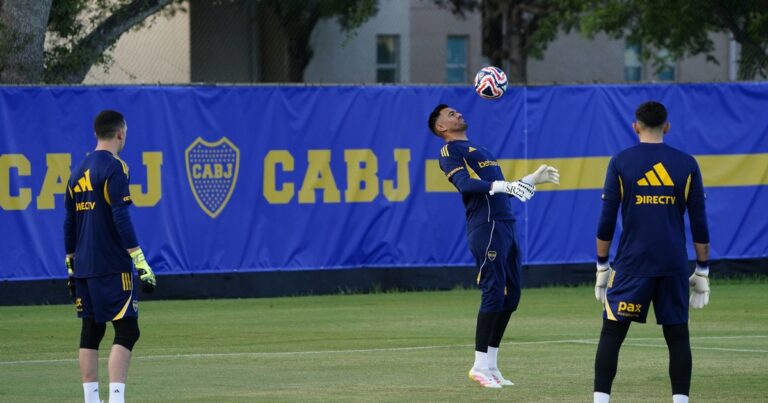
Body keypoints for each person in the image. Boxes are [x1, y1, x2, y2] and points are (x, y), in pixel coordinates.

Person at [427, 104, 560, 388]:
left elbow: (500, 191)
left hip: (505, 224)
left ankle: (491, 365)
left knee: (511, 298)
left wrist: (529, 180)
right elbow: (466, 185)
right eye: (450, 114)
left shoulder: (479, 149)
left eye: (457, 111)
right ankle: (478, 366)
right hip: (486, 227)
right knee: (493, 293)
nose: (458, 114)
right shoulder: (450, 151)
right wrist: (506, 186)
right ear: (441, 128)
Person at [592, 101, 711, 403]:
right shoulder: (687, 164)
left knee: (612, 334)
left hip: (632, 264)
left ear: (636, 126)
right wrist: (702, 270)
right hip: (672, 264)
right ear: (667, 127)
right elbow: (699, 222)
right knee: (678, 336)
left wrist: (602, 266)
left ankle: (600, 400)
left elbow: (606, 220)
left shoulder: (621, 161)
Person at [64, 110, 157, 403]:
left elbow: (69, 222)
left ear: (96, 134)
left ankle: (92, 400)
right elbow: (120, 216)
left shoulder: (77, 170)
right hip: (112, 265)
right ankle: (116, 400)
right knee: (128, 330)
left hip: (83, 266)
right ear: (120, 134)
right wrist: (140, 261)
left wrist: (70, 265)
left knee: (91, 330)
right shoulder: (116, 168)